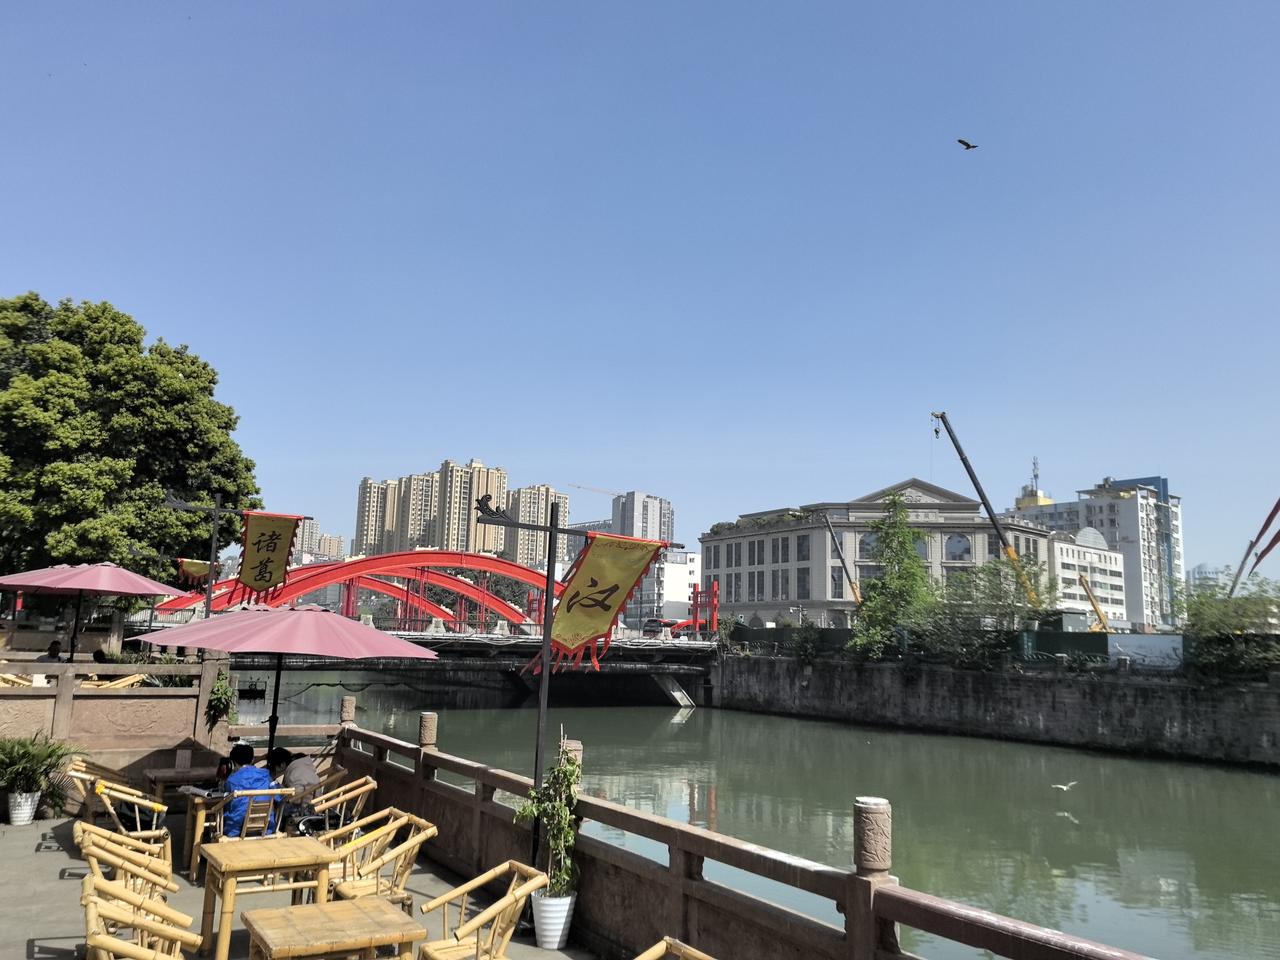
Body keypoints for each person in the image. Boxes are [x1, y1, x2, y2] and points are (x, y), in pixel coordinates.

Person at [222, 742, 275, 838]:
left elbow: (226, 803)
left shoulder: (231, 780)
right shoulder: (266, 776)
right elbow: (279, 796)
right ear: (252, 760)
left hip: (236, 829)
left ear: (233, 763)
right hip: (265, 826)